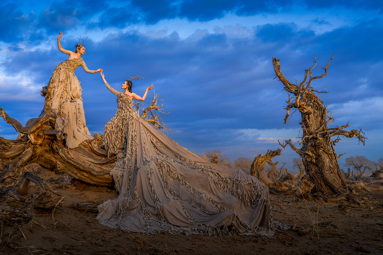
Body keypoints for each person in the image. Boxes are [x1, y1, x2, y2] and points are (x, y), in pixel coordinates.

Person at [97, 71, 274, 236]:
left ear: (128, 85)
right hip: (122, 121)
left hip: (132, 120)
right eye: (122, 83)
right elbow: (108, 88)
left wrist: (148, 90)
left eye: (124, 83)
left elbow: (142, 99)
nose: (121, 84)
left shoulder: (131, 95)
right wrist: (103, 77)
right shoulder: (119, 94)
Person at [45, 32, 102, 149]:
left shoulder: (81, 61)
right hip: (61, 73)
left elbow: (87, 70)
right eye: (83, 49)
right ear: (78, 49)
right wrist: (59, 38)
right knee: (57, 93)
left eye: (84, 49)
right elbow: (60, 48)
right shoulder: (71, 53)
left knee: (69, 96)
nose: (84, 51)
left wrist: (96, 71)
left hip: (70, 76)